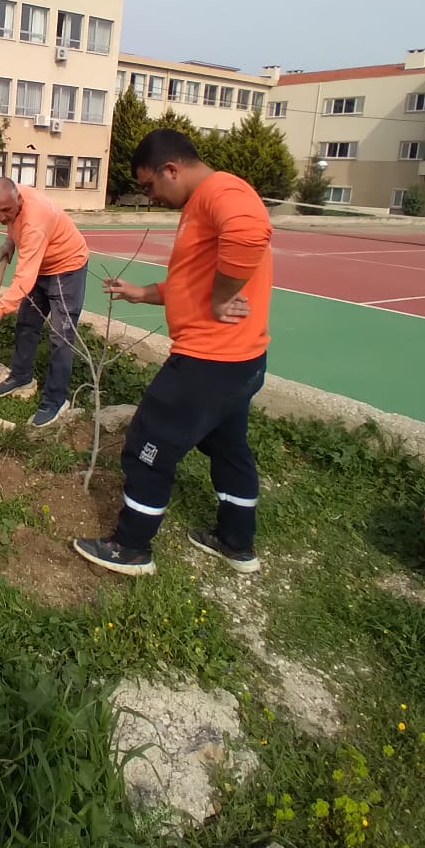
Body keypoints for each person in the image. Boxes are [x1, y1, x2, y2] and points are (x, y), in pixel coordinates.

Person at [72, 128, 273, 578]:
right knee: (228, 448)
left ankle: (131, 547)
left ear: (171, 169)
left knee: (148, 442)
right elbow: (191, 282)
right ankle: (236, 543)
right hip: (241, 361)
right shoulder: (200, 203)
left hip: (208, 361)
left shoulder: (221, 191)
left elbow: (248, 232)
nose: (150, 196)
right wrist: (142, 293)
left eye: (149, 186)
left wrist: (223, 298)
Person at [0, 177, 89, 428]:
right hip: (41, 265)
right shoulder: (13, 198)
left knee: (61, 337)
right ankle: (21, 375)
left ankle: (55, 400)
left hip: (66, 268)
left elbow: (24, 278)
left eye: (7, 210)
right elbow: (14, 222)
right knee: (26, 323)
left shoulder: (36, 221)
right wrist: (10, 240)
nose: (3, 216)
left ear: (18, 199)